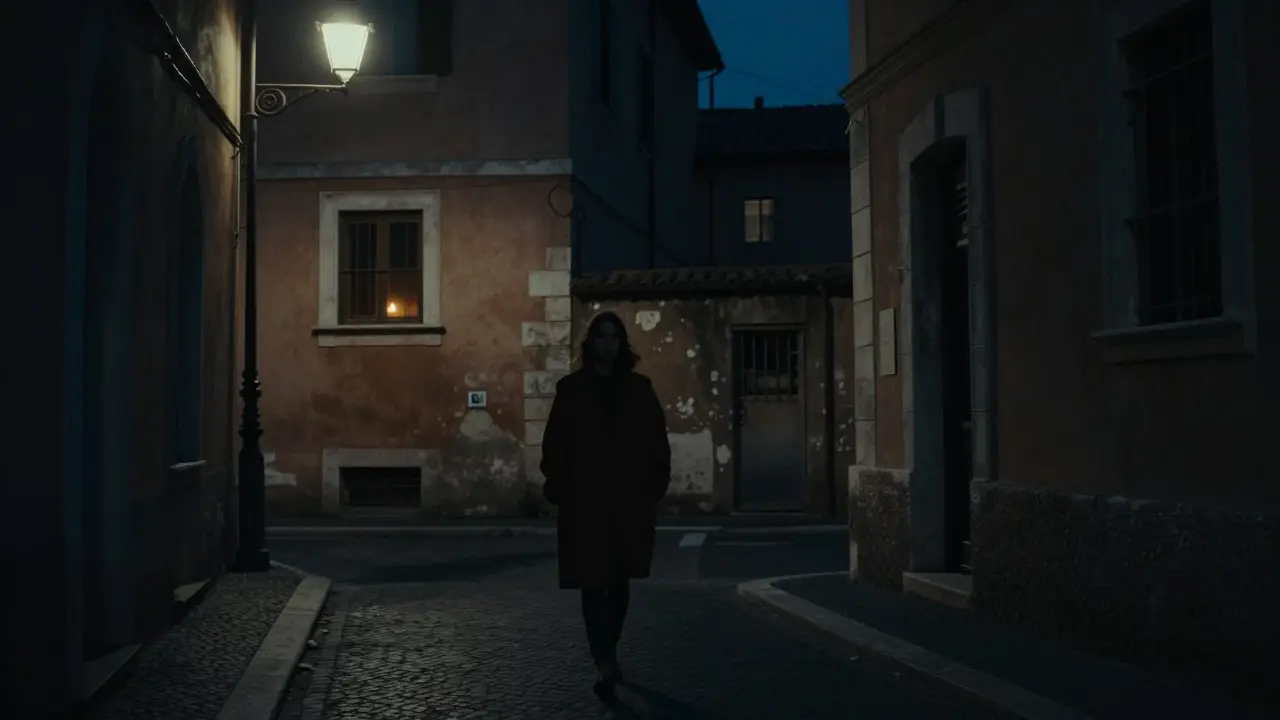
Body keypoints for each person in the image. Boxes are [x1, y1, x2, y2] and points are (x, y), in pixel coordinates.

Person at [539, 311, 672, 703]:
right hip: (585, 503)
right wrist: (561, 487)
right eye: (602, 337)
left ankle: (607, 653)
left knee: (619, 583)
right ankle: (605, 664)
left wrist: (654, 487)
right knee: (593, 583)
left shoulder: (639, 390)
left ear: (622, 344)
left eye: (615, 337)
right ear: (590, 343)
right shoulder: (571, 390)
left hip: (629, 502)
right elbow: (554, 445)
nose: (608, 344)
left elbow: (656, 444)